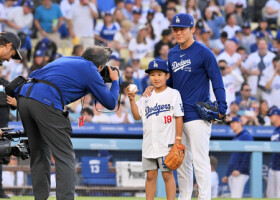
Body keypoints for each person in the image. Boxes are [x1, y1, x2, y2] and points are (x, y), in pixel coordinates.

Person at [15, 45, 119, 200]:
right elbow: (110, 103)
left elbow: (39, 75)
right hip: (45, 101)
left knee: (39, 154)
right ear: (99, 66)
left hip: (24, 98)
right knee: (65, 157)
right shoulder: (91, 69)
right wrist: (115, 81)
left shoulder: (66, 59)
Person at [166, 13, 227, 200]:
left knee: (201, 161)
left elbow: (217, 81)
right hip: (178, 116)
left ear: (192, 29)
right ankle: (184, 197)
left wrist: (222, 105)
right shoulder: (172, 53)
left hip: (198, 115)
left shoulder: (204, 52)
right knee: (181, 162)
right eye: (175, 29)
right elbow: (172, 86)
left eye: (182, 29)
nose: (178, 32)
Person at [127, 59, 184, 200]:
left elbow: (179, 116)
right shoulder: (146, 95)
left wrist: (178, 140)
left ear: (167, 76)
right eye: (152, 75)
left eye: (160, 74)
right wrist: (132, 100)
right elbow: (136, 116)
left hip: (166, 143)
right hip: (149, 143)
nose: (156, 78)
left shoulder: (173, 94)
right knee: (151, 176)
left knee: (167, 175)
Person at [222, 117, 254, 198]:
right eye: (230, 123)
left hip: (240, 173)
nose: (231, 125)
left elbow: (247, 155)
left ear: (240, 123)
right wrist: (227, 174)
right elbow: (233, 158)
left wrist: (240, 170)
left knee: (236, 197)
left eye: (233, 122)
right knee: (234, 196)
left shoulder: (246, 136)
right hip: (233, 172)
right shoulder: (235, 138)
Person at [266, 108, 280, 198]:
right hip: (273, 166)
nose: (270, 118)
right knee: (270, 195)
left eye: (271, 116)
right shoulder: (275, 130)